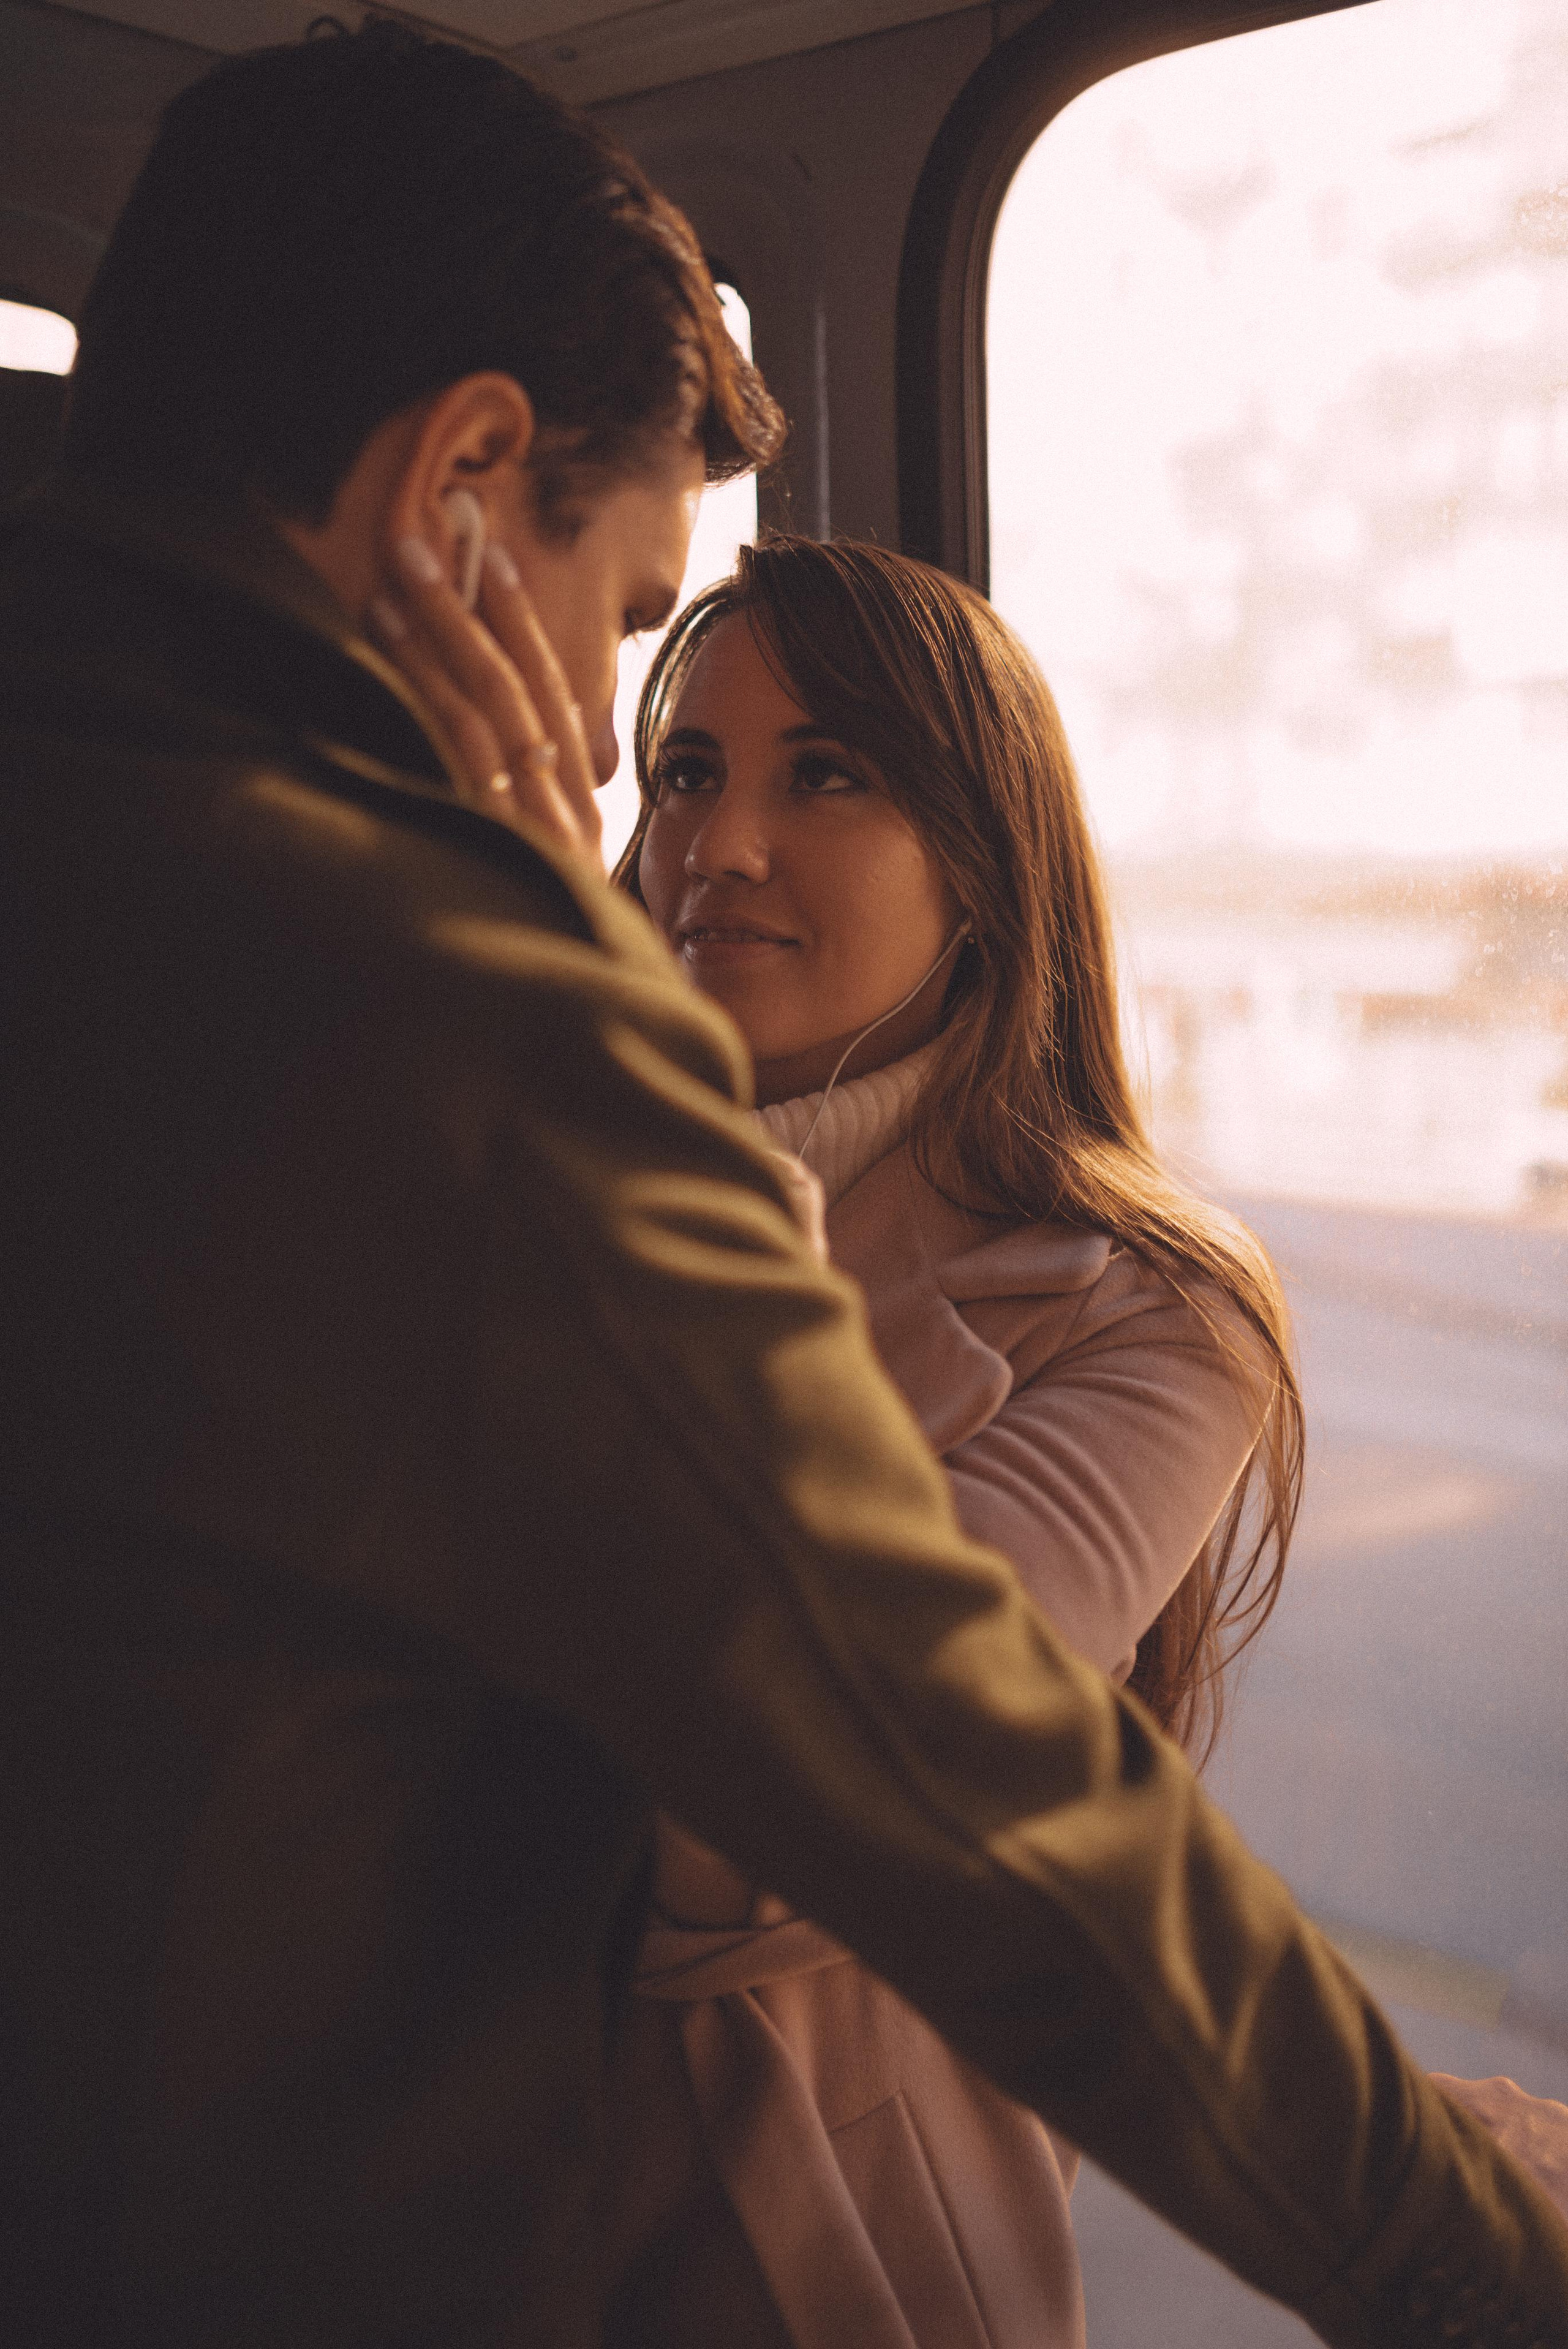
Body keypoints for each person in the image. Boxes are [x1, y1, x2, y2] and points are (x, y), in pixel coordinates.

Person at [1, 22, 1565, 2349]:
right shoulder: (457, 1021)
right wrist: (1469, 2243)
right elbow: (951, 1776)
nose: (689, 825)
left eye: (822, 775)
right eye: (631, 632)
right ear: (460, 488)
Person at [590, 533, 1300, 2344]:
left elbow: (828, 1785)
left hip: (830, 2243)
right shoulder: (511, 1165)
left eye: (825, 772)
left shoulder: (1151, 1313)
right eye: (687, 771)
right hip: (418, 2192)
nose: (719, 844)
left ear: (986, 871)